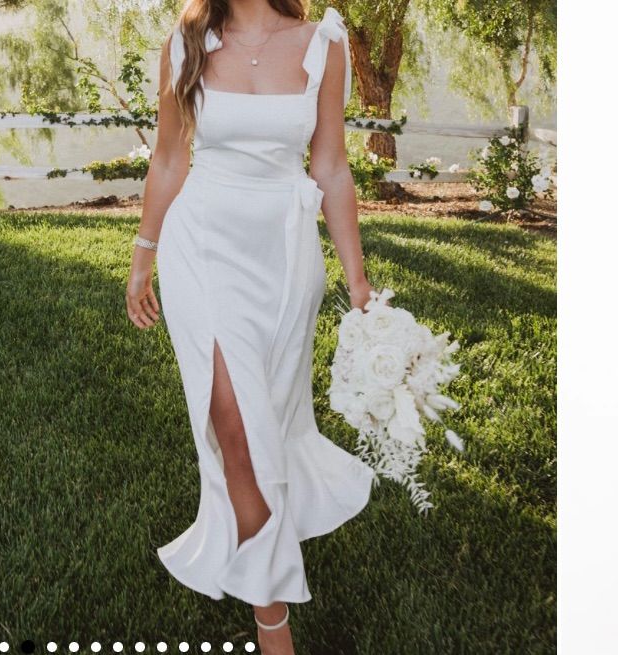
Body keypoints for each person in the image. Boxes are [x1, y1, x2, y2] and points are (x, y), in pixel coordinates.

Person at [125, 1, 377, 653]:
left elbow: (330, 166)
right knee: (233, 421)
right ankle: (273, 619)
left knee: (269, 416)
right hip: (201, 246)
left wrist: (355, 278)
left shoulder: (322, 42)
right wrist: (142, 255)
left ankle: (262, 527)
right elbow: (169, 160)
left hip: (285, 252)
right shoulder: (185, 44)